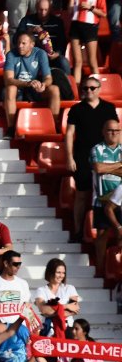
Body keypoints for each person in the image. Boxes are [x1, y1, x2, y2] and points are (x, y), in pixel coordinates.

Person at [66, 76, 117, 241]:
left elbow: (116, 132)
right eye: (85, 88)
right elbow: (69, 134)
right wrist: (69, 157)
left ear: (99, 89)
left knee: (109, 196)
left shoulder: (109, 108)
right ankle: (78, 232)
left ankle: (111, 232)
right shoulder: (76, 109)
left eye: (92, 88)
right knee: (81, 195)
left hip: (106, 159)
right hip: (83, 158)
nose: (88, 91)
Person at [2, 32, 60, 136]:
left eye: (23, 43)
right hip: (18, 88)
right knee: (11, 88)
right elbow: (8, 80)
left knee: (54, 89)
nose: (20, 46)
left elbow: (48, 78)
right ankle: (11, 128)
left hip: (34, 88)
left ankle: (53, 126)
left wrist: (43, 85)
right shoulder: (11, 54)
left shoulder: (40, 54)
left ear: (32, 44)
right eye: (18, 43)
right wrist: (27, 83)